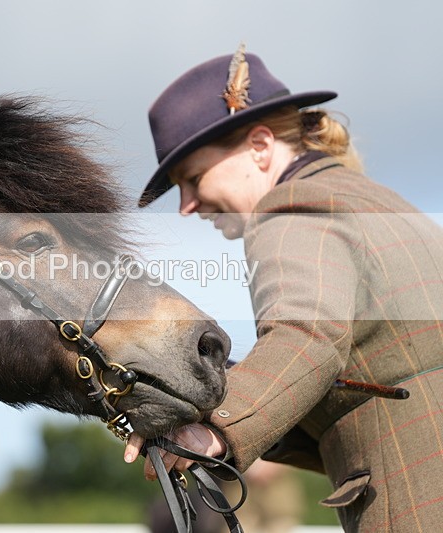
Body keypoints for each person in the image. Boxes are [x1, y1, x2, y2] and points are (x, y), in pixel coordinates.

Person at [124, 45, 443, 531]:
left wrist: (214, 428)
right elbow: (373, 389)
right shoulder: (381, 203)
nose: (187, 206)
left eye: (192, 178)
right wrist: (200, 395)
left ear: (260, 145)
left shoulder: (290, 211)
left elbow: (307, 336)